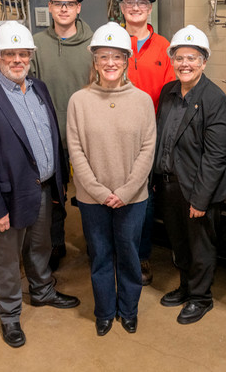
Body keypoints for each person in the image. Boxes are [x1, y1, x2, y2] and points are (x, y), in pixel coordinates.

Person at [0, 21, 80, 348]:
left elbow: (51, 138)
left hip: (42, 187)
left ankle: (42, 291)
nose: (17, 59)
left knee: (40, 246)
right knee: (7, 259)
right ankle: (10, 315)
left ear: (30, 56)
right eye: (9, 53)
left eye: (23, 53)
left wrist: (59, 182)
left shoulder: (39, 88)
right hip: (7, 197)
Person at [67, 22, 156, 336]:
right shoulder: (79, 101)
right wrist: (98, 191)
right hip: (93, 200)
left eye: (117, 56)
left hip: (133, 199)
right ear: (95, 61)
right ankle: (104, 311)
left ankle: (128, 310)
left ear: (126, 60)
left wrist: (127, 190)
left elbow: (148, 149)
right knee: (101, 255)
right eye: (103, 57)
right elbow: (75, 148)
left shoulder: (143, 101)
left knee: (129, 255)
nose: (110, 63)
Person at [154, 25, 226, 325]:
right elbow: (163, 137)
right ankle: (186, 287)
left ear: (203, 62)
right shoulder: (168, 92)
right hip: (170, 185)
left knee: (201, 246)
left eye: (192, 57)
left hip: (198, 189)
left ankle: (201, 298)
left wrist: (200, 199)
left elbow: (216, 157)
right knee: (179, 242)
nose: (185, 63)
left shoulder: (215, 100)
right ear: (172, 60)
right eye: (179, 57)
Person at [116, 0, 175, 285]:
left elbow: (167, 100)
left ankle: (141, 256)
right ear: (121, 7)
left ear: (150, 7)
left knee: (144, 201)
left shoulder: (165, 47)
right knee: (111, 195)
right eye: (129, 1)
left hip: (147, 139)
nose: (135, 7)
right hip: (112, 138)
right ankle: (115, 252)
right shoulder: (110, 39)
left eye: (141, 2)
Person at [31, 0, 93, 271]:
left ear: (79, 7)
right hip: (48, 135)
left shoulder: (94, 43)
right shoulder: (36, 44)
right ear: (50, 7)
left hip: (86, 135)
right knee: (53, 194)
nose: (64, 9)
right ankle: (55, 244)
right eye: (58, 3)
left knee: (91, 194)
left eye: (70, 3)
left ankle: (96, 244)